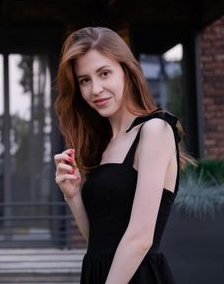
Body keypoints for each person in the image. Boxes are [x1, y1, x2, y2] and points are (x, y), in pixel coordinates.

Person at [53, 27, 195, 283]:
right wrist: (72, 195)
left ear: (126, 71)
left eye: (104, 73)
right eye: (84, 80)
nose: (95, 89)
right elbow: (99, 240)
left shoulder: (155, 130)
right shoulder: (104, 143)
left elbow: (140, 239)